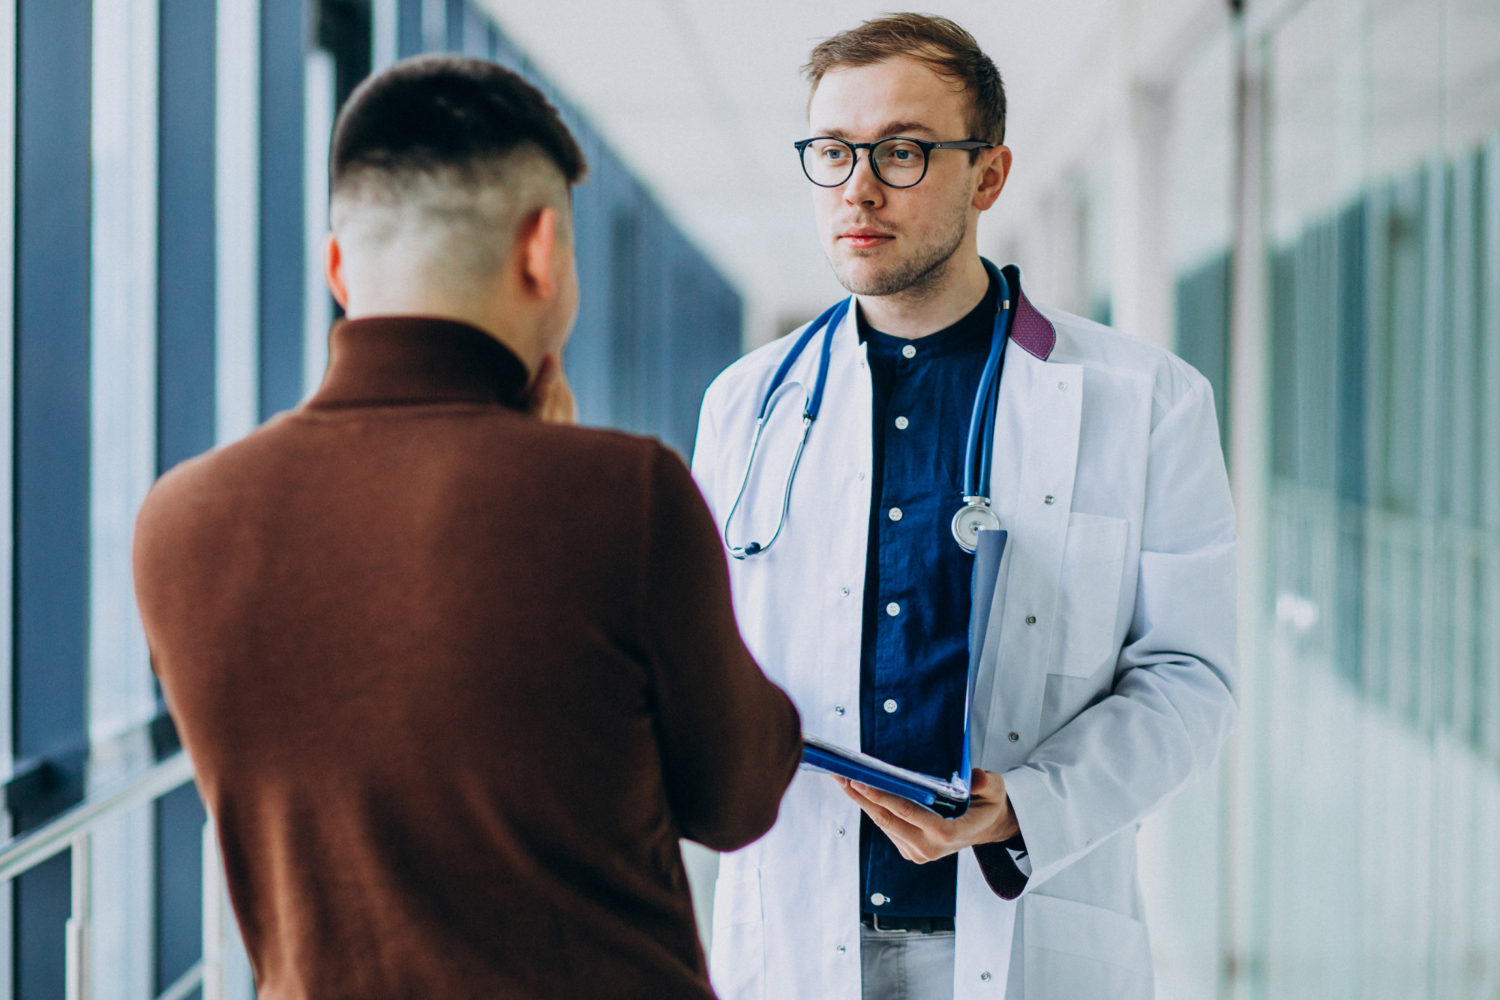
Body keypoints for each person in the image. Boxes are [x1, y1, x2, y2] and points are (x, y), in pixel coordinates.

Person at [133, 55, 801, 1000]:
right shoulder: (623, 494)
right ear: (541, 250)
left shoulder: (179, 521)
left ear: (337, 269)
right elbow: (736, 798)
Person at [691, 14, 1238, 1000]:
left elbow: (1190, 678)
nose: (858, 186)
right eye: (831, 152)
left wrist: (1022, 805)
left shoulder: (1148, 401)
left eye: (901, 151)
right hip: (798, 931)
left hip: (1022, 925)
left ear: (989, 175)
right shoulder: (746, 405)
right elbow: (703, 660)